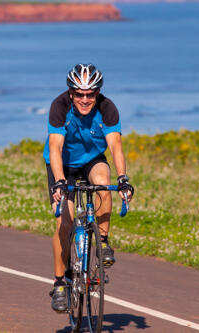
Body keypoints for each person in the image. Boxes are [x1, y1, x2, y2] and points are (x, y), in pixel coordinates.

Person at [44, 63, 134, 312]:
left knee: (104, 182)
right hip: (63, 165)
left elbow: (115, 146)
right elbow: (55, 147)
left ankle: (103, 240)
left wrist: (123, 178)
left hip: (92, 160)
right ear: (71, 93)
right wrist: (60, 182)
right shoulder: (59, 106)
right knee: (65, 221)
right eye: (80, 94)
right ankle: (60, 283)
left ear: (98, 93)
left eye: (90, 94)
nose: (85, 100)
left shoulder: (107, 109)